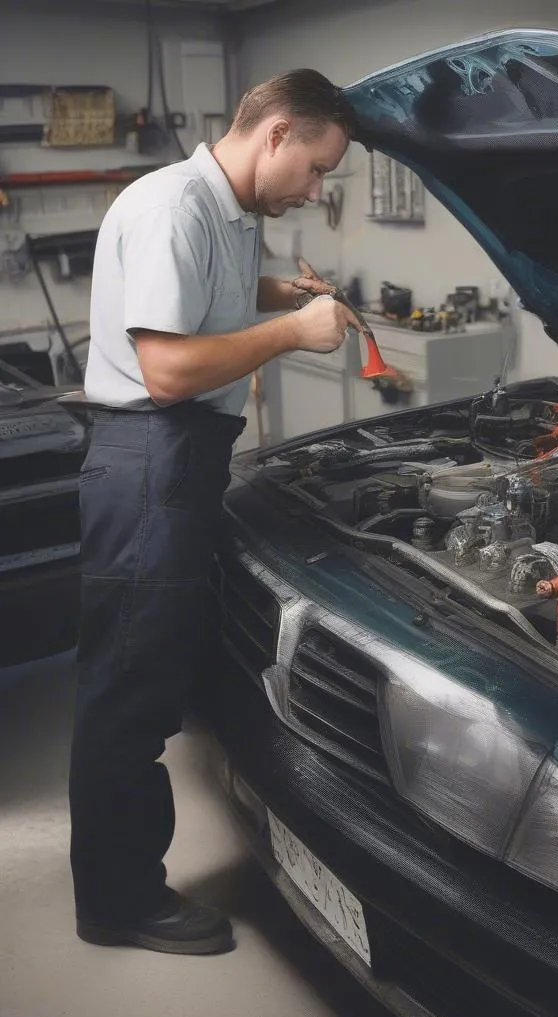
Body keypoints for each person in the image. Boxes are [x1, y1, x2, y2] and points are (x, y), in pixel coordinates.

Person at [69, 69, 362, 955]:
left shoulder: (224, 212)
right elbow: (166, 370)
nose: (315, 190)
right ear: (275, 133)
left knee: (150, 672)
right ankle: (120, 903)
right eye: (315, 168)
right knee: (127, 692)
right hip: (151, 458)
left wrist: (280, 295)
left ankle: (120, 883)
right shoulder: (175, 206)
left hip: (180, 459)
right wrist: (293, 334)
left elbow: (204, 301)